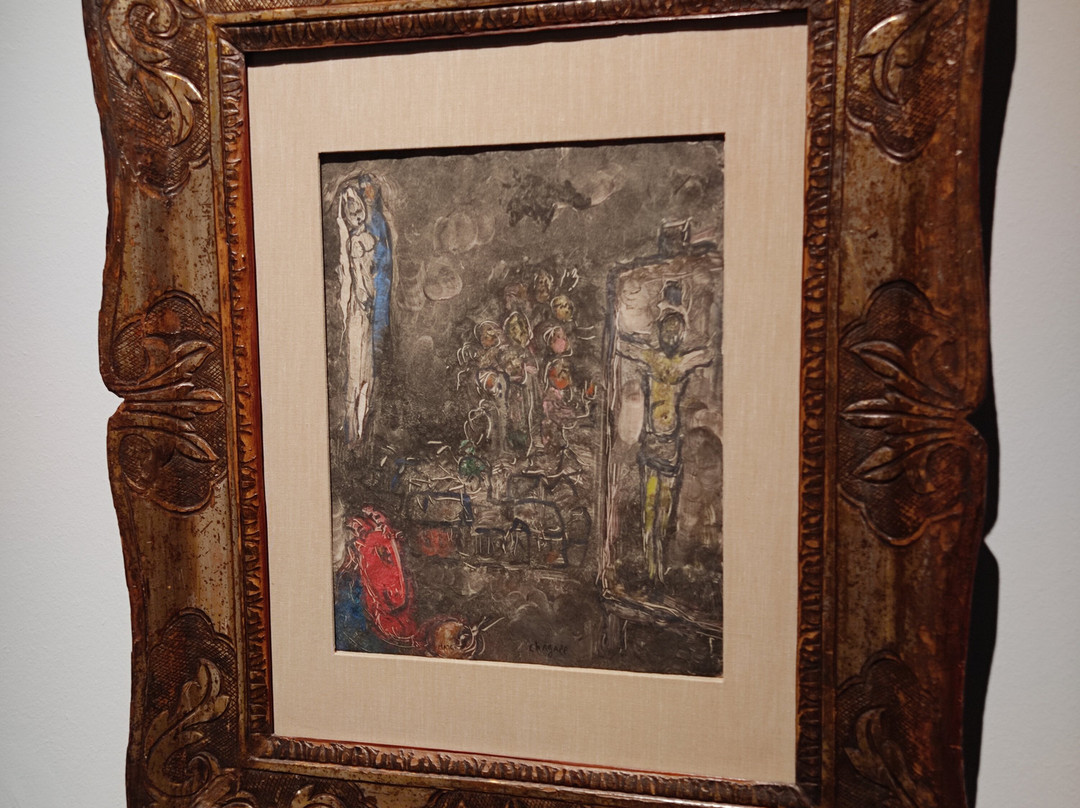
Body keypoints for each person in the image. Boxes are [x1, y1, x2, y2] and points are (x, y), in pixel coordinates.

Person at [616, 308, 714, 587]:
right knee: (649, 506)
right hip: (651, 442)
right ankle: (651, 569)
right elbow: (625, 347)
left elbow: (707, 354)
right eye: (667, 330)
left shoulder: (680, 363)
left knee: (665, 509)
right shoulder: (652, 357)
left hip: (671, 444)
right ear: (659, 332)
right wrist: (631, 338)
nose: (671, 336)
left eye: (676, 331)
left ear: (681, 335)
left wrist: (694, 351)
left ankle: (659, 572)